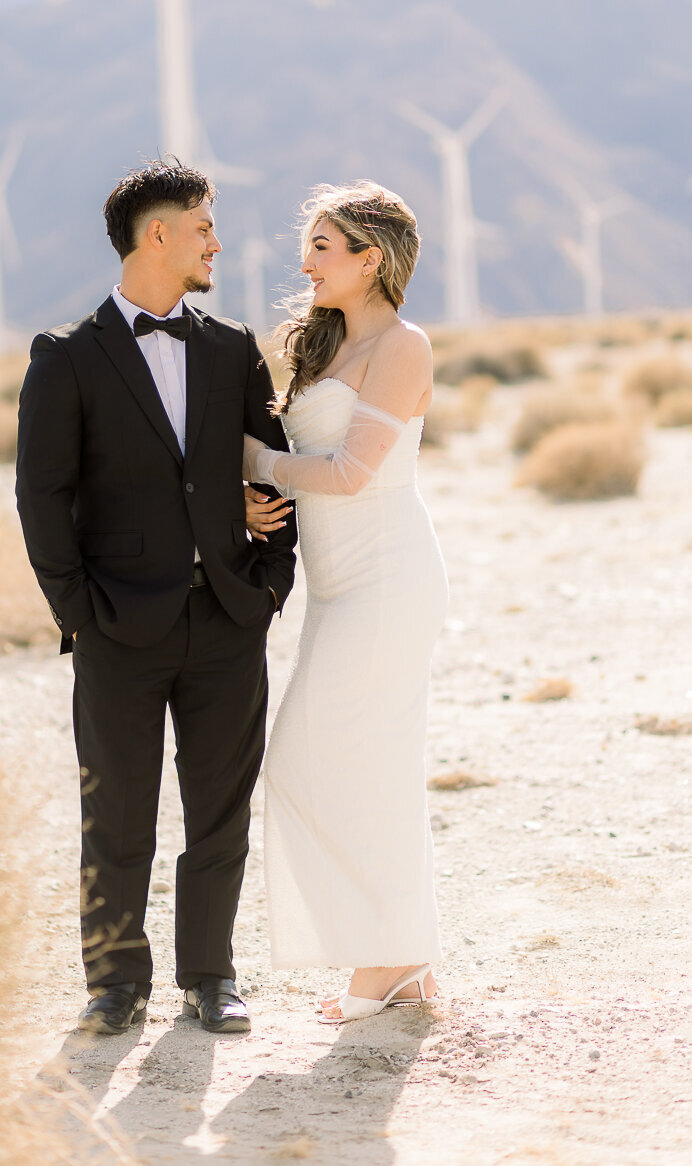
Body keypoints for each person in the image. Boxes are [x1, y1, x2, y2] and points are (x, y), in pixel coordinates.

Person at [16, 159, 296, 1035]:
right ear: (159, 234)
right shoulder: (65, 356)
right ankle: (114, 983)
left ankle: (210, 976)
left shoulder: (230, 348)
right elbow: (40, 496)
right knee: (118, 813)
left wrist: (270, 576)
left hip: (226, 618)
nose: (218, 241)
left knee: (220, 812)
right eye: (205, 225)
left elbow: (272, 470)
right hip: (117, 627)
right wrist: (78, 613)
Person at [242, 181, 447, 1024]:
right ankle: (402, 959)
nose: (307, 262)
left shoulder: (404, 347)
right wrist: (258, 498)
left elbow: (352, 473)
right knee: (341, 765)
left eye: (323, 247)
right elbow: (313, 468)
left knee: (326, 761)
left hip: (389, 579)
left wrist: (256, 465)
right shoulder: (320, 347)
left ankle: (390, 959)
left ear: (371, 259)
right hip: (335, 585)